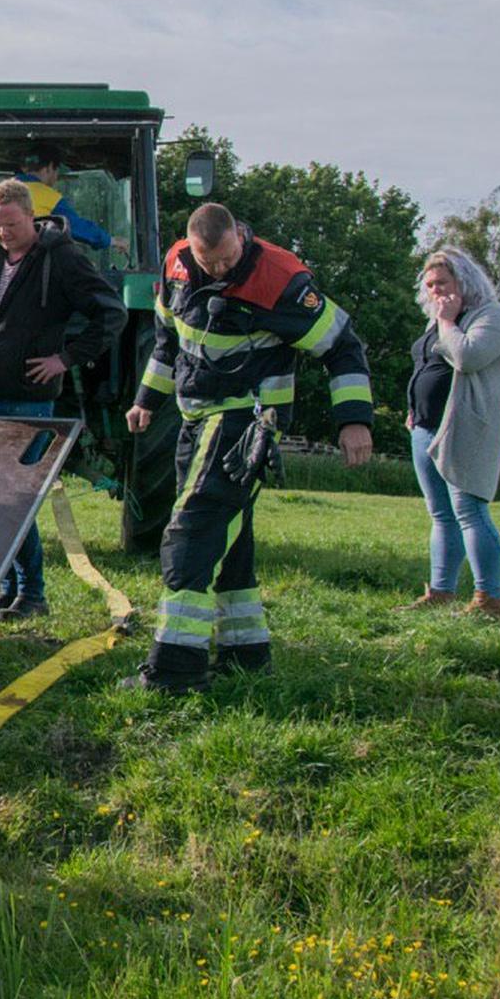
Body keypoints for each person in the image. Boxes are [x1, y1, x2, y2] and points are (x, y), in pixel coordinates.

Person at [125, 203, 374, 691]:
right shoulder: (176, 263)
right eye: (208, 261)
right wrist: (146, 400)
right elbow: (168, 341)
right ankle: (245, 652)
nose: (218, 269)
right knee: (228, 536)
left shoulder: (281, 279)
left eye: (225, 258)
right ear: (191, 246)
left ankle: (174, 670)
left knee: (191, 532)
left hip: (248, 419)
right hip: (195, 417)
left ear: (239, 236)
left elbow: (343, 346)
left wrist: (354, 422)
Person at [0, 179, 125, 618]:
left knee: (14, 502)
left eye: (10, 223)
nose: (3, 231)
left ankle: (33, 594)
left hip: (26, 401)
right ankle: (5, 589)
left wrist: (65, 359)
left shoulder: (62, 258)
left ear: (31, 217)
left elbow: (112, 313)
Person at [404, 248, 500, 618]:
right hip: (423, 428)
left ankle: (489, 600)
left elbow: (468, 357)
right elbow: (427, 364)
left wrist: (448, 322)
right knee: (441, 514)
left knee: (470, 511)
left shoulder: (494, 317)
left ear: (464, 281)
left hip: (467, 429)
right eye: (430, 285)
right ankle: (440, 592)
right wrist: (414, 408)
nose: (436, 293)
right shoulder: (436, 321)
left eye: (443, 283)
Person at [0, 144, 129, 255]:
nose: (56, 179)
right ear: (48, 167)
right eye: (56, 171)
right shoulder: (49, 197)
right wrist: (111, 241)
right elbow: (76, 227)